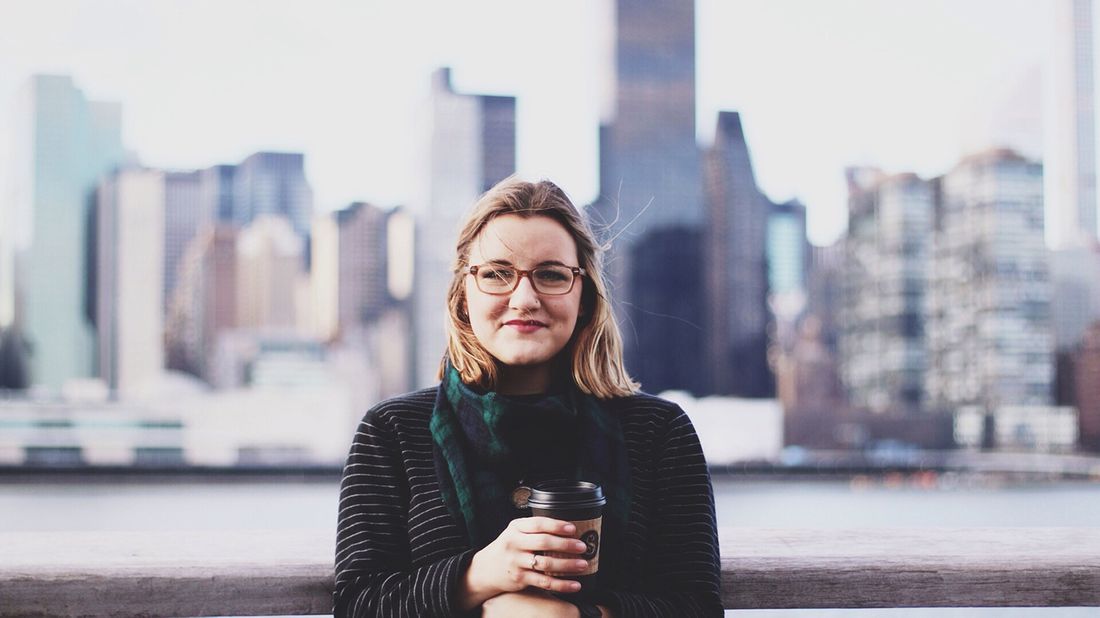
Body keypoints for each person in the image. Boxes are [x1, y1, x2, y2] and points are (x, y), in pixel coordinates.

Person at [334, 177, 722, 617]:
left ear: (585, 296)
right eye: (497, 274)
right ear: (464, 295)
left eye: (551, 275)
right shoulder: (391, 433)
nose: (524, 298)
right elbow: (357, 604)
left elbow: (697, 607)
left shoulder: (659, 433)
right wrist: (480, 577)